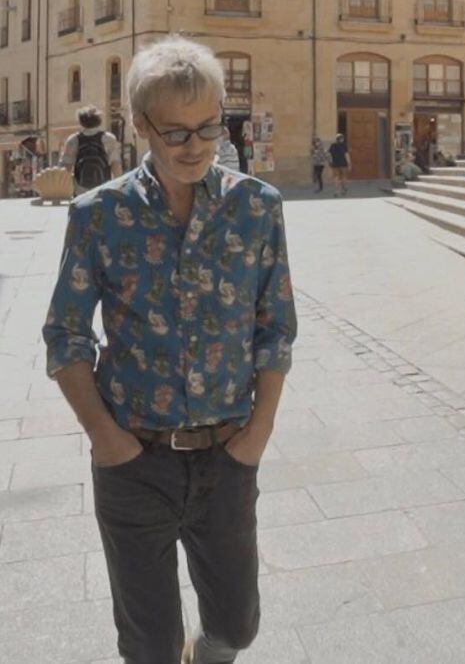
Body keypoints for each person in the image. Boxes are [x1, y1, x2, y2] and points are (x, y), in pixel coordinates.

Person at [42, 35, 297, 664]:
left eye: (210, 127)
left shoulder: (257, 208)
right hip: (135, 460)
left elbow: (276, 329)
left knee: (237, 628)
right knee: (149, 647)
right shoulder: (98, 214)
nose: (197, 146)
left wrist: (257, 435)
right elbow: (65, 334)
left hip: (227, 456)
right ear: (139, 126)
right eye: (176, 132)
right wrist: (106, 439)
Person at [60, 105, 123, 192]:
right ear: (98, 120)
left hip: (80, 190)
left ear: (81, 121)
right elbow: (115, 165)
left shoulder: (73, 140)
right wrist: (120, 188)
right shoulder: (108, 138)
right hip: (103, 188)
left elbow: (66, 168)